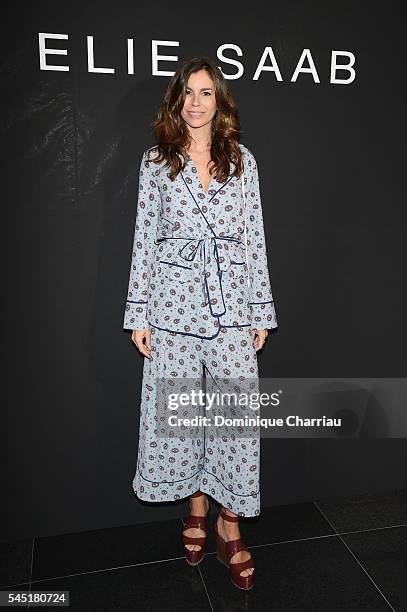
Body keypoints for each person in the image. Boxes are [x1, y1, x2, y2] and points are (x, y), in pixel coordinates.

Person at [123, 56, 278, 591]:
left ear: (220, 101)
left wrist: (261, 309)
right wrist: (139, 313)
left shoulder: (242, 161)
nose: (195, 101)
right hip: (173, 307)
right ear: (176, 100)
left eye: (206, 92)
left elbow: (254, 239)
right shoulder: (155, 162)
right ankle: (195, 504)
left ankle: (228, 521)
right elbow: (144, 240)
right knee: (184, 413)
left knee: (233, 419)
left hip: (232, 304)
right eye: (187, 92)